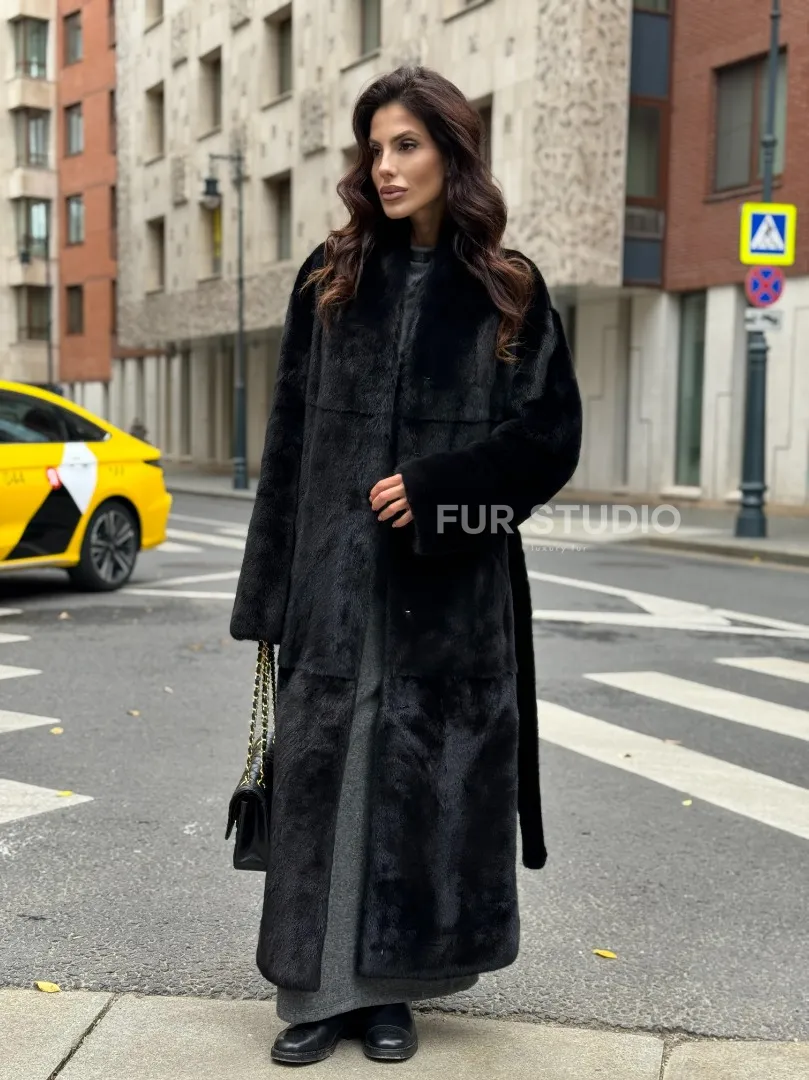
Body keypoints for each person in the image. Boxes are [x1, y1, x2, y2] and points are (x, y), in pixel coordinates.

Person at [230, 66, 582, 1066]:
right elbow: (287, 445)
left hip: (449, 599)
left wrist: (441, 489)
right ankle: (314, 996)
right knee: (327, 781)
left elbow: (548, 441)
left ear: (450, 155)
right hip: (331, 593)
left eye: (406, 146)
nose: (383, 167)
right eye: (374, 148)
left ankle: (392, 996)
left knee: (420, 790)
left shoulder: (506, 289)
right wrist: (268, 600)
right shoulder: (331, 278)